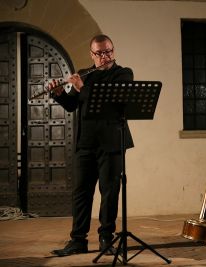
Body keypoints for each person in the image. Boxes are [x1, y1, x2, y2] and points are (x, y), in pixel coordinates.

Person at [50, 34, 134, 256]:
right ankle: (78, 240)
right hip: (86, 144)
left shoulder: (123, 74)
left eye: (108, 51)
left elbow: (112, 103)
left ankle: (106, 238)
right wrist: (59, 95)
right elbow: (72, 105)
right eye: (100, 53)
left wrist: (81, 87)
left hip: (112, 143)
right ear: (92, 55)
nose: (105, 57)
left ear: (113, 51)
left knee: (109, 192)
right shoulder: (86, 74)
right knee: (81, 193)